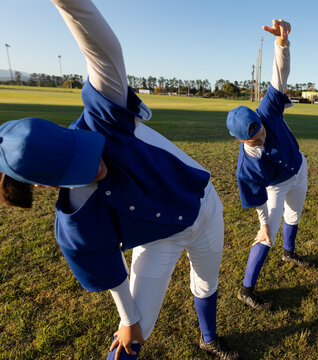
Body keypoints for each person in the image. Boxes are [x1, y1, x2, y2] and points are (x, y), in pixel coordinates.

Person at [0, 1, 239, 359]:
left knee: (206, 284)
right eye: (73, 169)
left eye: (78, 149)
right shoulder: (74, 226)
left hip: (206, 206)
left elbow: (103, 51)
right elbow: (110, 272)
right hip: (159, 241)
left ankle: (209, 337)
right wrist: (128, 318)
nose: (93, 165)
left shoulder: (103, 118)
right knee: (134, 334)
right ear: (42, 185)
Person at [226, 19, 310, 311]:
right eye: (253, 140)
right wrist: (263, 224)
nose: (261, 137)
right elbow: (258, 199)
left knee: (295, 214)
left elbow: (279, 76)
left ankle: (290, 252)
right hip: (273, 187)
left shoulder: (267, 111)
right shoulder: (246, 168)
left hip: (299, 169)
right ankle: (247, 289)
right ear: (241, 142)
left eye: (260, 130)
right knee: (266, 234)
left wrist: (282, 44)